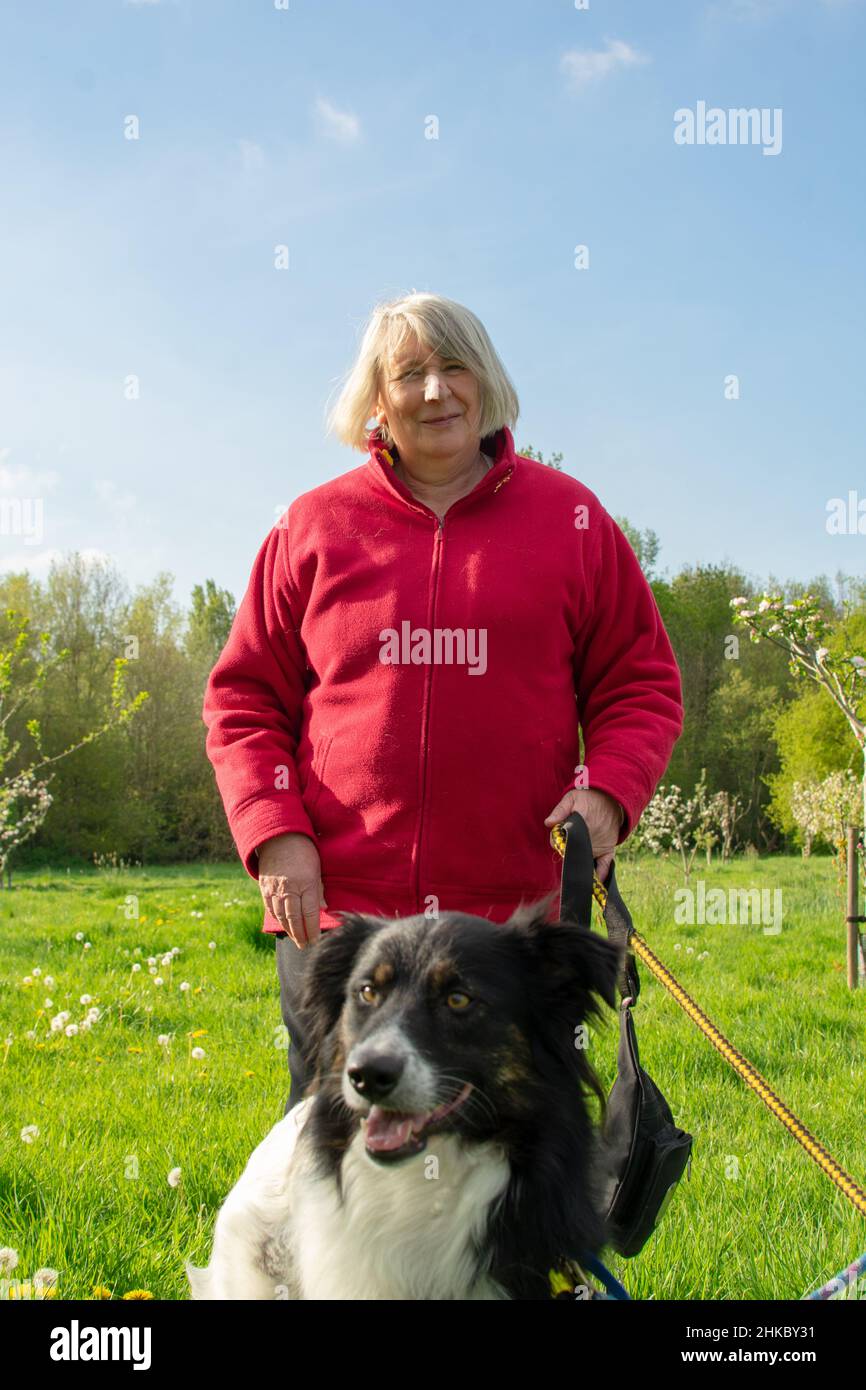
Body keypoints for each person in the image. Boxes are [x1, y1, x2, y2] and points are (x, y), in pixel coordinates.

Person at [202, 291, 684, 1113]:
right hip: (342, 921)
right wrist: (275, 835)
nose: (436, 392)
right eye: (410, 374)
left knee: (514, 1168)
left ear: (486, 381)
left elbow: (640, 682)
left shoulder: (571, 519)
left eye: (455, 367)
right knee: (337, 1158)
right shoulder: (311, 528)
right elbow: (244, 698)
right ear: (376, 399)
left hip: (513, 929)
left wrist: (608, 791)